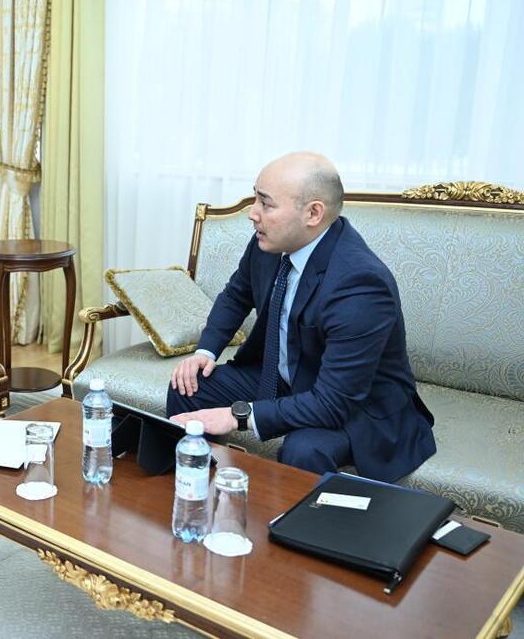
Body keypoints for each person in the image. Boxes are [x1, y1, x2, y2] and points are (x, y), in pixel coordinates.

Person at [167, 152, 436, 482]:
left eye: (266, 204)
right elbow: (237, 294)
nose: (253, 214)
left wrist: (236, 416)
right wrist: (204, 353)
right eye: (256, 198)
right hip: (286, 376)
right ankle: (195, 487)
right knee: (188, 387)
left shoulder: (361, 283)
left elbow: (333, 402)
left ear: (313, 213)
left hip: (356, 404)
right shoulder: (270, 242)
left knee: (304, 449)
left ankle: (289, 529)